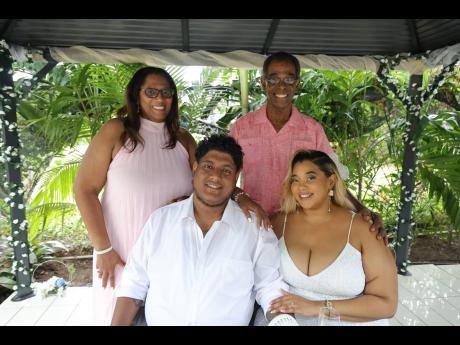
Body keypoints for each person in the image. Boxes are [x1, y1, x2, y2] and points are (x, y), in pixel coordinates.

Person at [111, 135, 290, 326]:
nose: (215, 176)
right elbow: (134, 284)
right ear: (195, 167)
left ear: (236, 176)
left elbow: (270, 286)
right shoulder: (160, 221)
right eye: (208, 166)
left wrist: (284, 320)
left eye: (226, 170)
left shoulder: (255, 229)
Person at [73, 67, 196, 325]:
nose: (160, 99)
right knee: (117, 318)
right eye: (151, 92)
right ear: (136, 95)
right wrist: (103, 249)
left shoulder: (184, 139)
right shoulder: (116, 131)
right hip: (120, 252)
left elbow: (206, 189)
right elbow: (85, 189)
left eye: (167, 92)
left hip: (171, 255)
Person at [229, 51, 386, 241]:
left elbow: (333, 179)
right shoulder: (241, 128)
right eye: (273, 79)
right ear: (263, 83)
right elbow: (227, 178)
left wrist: (362, 209)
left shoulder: (312, 130)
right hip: (254, 226)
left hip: (299, 229)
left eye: (288, 79)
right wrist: (241, 197)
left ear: (297, 84)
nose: (281, 86)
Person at [254, 149, 397, 326]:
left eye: (310, 177)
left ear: (331, 181)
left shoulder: (363, 229)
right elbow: (263, 278)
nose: (301, 186)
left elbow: (386, 305)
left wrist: (316, 307)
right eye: (295, 179)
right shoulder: (279, 223)